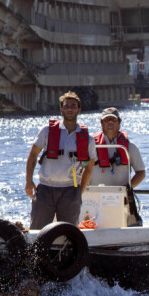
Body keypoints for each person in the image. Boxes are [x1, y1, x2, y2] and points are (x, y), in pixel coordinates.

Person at [24, 91, 96, 229]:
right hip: (45, 189)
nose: (70, 109)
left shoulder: (88, 139)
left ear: (79, 110)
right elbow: (33, 156)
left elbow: (89, 167)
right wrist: (28, 181)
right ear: (61, 109)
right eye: (66, 106)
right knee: (38, 231)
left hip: (70, 190)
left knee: (69, 232)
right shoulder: (47, 131)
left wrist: (80, 191)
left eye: (73, 106)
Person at [92, 106, 145, 225]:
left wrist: (128, 189)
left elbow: (141, 172)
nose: (110, 122)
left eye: (113, 120)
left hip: (122, 197)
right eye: (107, 120)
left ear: (119, 123)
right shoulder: (90, 147)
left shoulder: (130, 147)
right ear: (101, 123)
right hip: (94, 197)